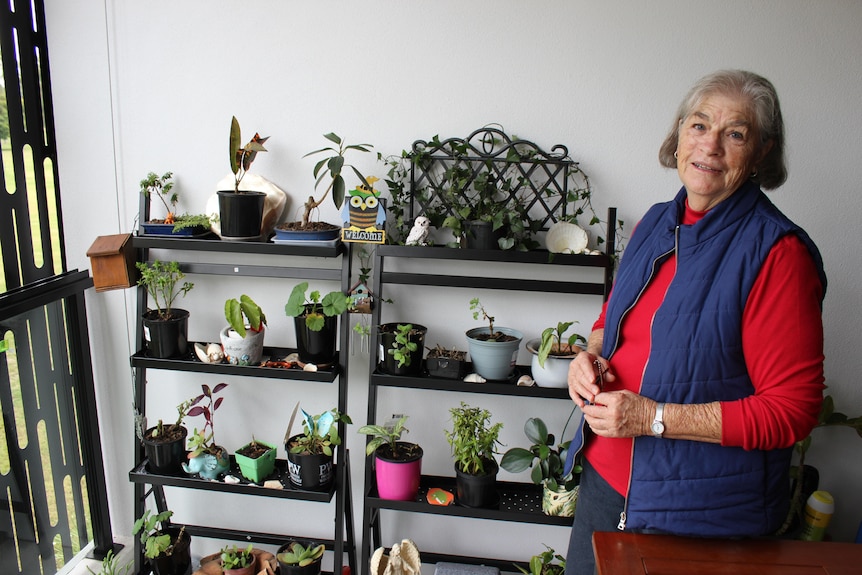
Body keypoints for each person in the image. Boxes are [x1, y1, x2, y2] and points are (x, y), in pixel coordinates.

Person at [563, 69, 827, 575]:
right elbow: (611, 317)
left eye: (736, 133)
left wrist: (653, 418)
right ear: (678, 134)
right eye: (699, 125)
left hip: (695, 515)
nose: (711, 146)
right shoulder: (656, 222)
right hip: (604, 483)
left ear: (763, 152)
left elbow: (791, 410)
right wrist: (590, 354)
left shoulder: (777, 254)